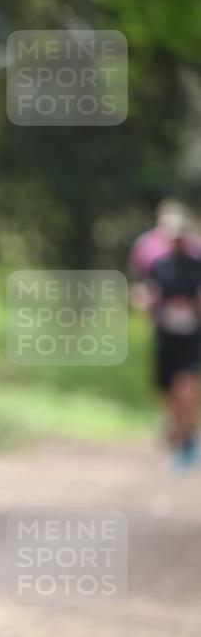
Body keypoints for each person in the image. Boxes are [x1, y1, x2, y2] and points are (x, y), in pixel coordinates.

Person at [129, 201, 201, 469]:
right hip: (164, 334)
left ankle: (186, 441)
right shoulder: (159, 266)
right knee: (167, 389)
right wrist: (145, 303)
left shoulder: (197, 265)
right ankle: (179, 432)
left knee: (186, 386)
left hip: (191, 335)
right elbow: (145, 292)